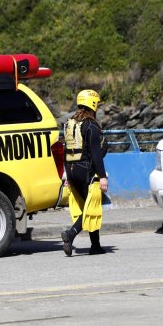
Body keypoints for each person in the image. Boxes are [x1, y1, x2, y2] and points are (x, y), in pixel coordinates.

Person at [61, 89, 108, 257]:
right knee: (91, 209)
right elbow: (96, 155)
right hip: (85, 172)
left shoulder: (70, 124)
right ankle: (70, 234)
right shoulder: (91, 126)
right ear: (93, 104)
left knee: (87, 207)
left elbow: (65, 151)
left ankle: (95, 246)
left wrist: (66, 175)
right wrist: (103, 177)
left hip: (72, 171)